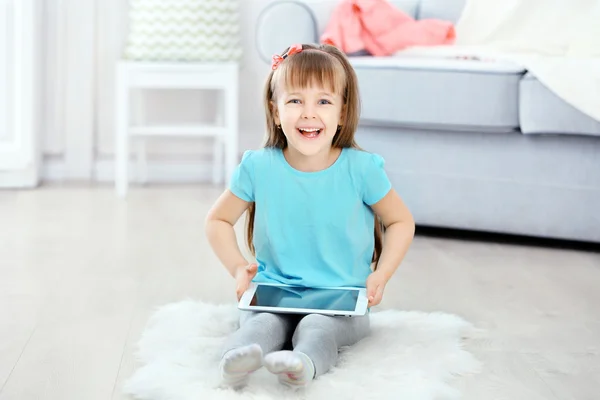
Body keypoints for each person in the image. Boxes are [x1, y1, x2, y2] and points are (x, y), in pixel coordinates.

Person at [205, 43, 415, 389]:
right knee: (262, 326)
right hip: (274, 292)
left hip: (342, 299)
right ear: (275, 111)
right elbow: (218, 220)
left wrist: (382, 274)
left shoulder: (362, 169)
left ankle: (302, 364)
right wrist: (237, 267)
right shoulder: (258, 166)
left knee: (317, 327)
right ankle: (235, 360)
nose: (309, 113)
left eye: (323, 101)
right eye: (295, 101)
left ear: (342, 113)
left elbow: (400, 221)